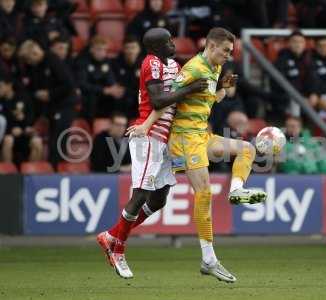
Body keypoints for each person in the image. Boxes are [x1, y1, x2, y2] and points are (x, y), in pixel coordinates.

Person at [96, 27, 208, 279]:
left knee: (159, 199)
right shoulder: (151, 63)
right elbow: (158, 101)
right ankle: (118, 249)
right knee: (141, 194)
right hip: (150, 136)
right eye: (168, 41)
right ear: (155, 46)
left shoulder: (172, 64)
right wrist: (190, 90)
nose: (173, 43)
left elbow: (179, 95)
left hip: (167, 139)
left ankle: (112, 234)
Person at [167, 27, 267, 283]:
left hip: (201, 135)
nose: (228, 56)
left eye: (230, 52)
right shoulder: (193, 69)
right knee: (203, 193)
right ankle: (209, 259)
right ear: (211, 46)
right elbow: (167, 99)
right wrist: (149, 128)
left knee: (247, 149)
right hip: (185, 139)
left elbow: (204, 100)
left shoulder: (213, 69)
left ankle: (236, 190)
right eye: (225, 51)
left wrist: (221, 90)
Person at [18, 39, 77, 167]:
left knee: (59, 138)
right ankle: (52, 167)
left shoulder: (53, 60)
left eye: (29, 59)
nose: (29, 63)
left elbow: (68, 84)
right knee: (53, 138)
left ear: (34, 53)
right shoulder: (36, 66)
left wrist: (49, 94)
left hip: (66, 105)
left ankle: (58, 169)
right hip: (53, 106)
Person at [0, 77, 43, 164]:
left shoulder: (24, 97)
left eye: (0, 86)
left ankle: (31, 174)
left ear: (9, 85)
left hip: (24, 135)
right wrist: (10, 131)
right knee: (8, 140)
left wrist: (25, 128)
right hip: (7, 136)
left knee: (37, 142)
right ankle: (8, 175)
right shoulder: (1, 102)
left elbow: (31, 118)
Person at [111, 36, 143, 119]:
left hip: (137, 98)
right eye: (127, 48)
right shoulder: (115, 63)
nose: (130, 51)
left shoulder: (145, 64)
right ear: (123, 50)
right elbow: (114, 84)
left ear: (139, 49)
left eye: (133, 48)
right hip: (121, 99)